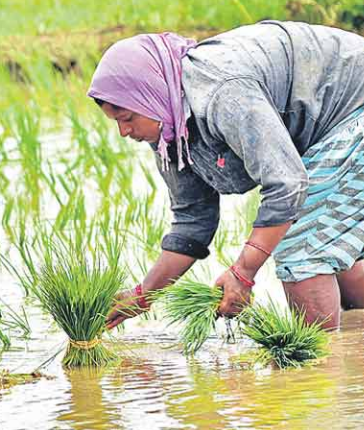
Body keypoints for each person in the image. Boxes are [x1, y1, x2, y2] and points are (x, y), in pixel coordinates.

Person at [94, 20, 364, 330]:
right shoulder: (171, 133)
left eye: (127, 118)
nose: (124, 132)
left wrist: (243, 272)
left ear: (150, 96)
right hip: (325, 127)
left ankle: (319, 369)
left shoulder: (222, 92)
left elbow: (287, 184)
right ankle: (353, 360)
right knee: (337, 253)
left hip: (354, 105)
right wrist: (143, 296)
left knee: (304, 248)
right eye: (116, 122)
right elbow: (193, 220)